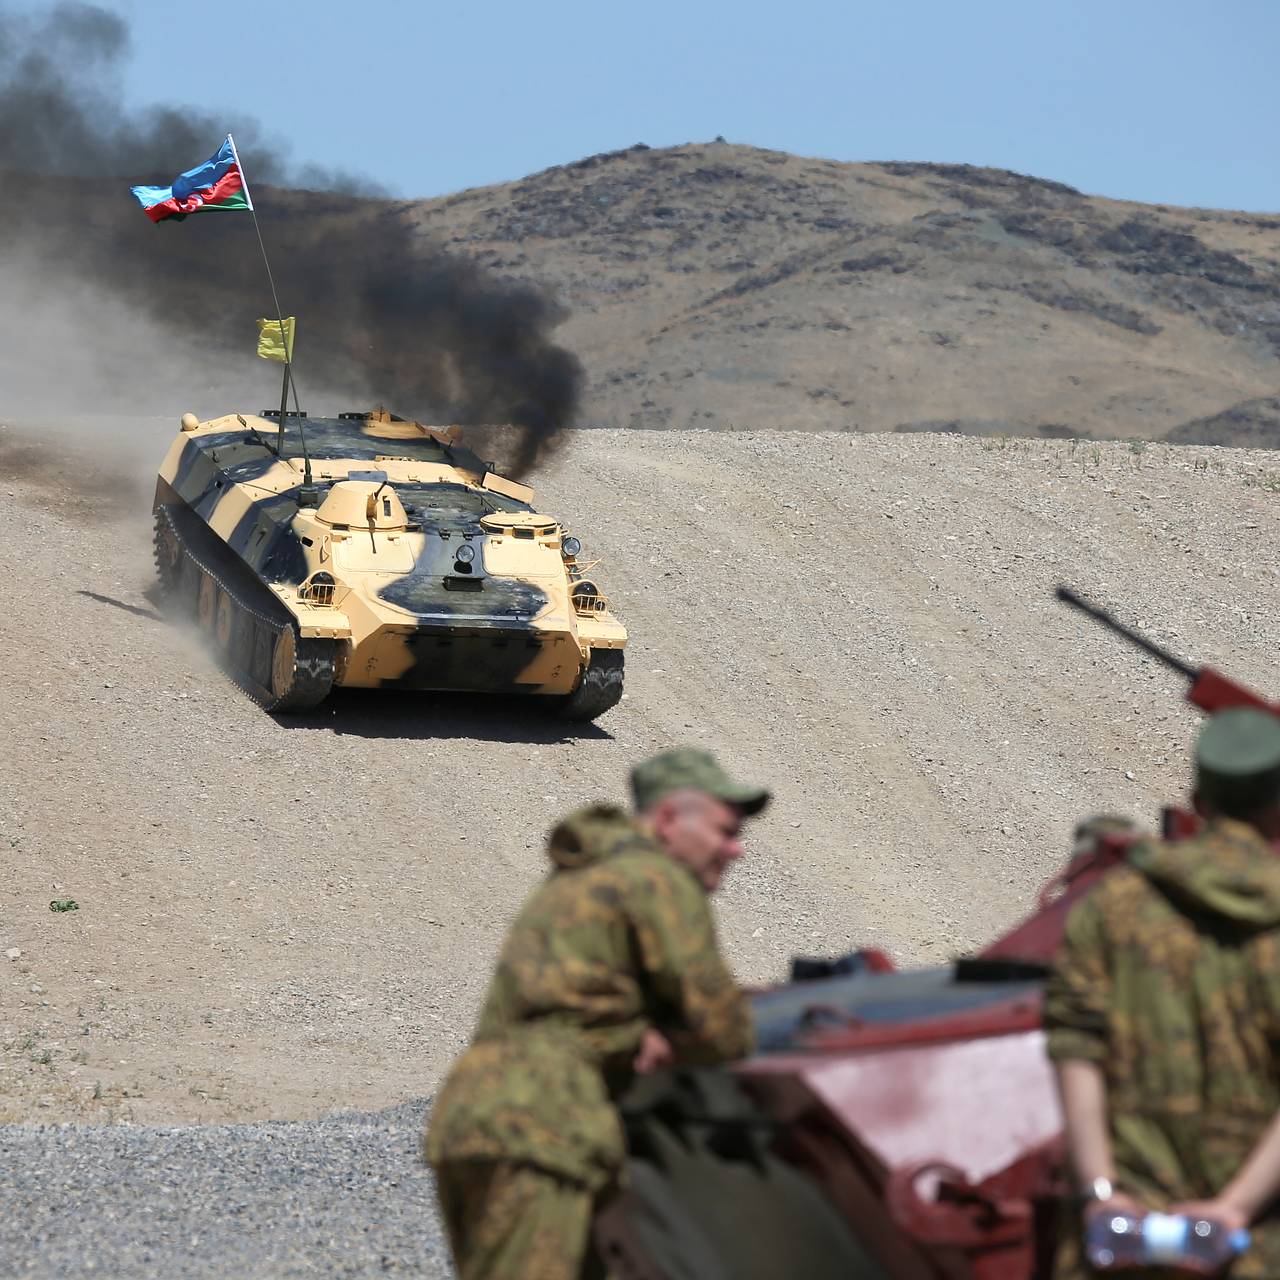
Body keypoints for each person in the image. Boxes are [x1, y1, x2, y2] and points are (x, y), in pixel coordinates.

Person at [424, 747, 768, 1280]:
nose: (736, 849)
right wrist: (668, 1043)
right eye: (726, 831)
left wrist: (638, 1035)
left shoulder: (579, 880)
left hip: (475, 1117)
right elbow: (724, 1027)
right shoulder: (655, 879)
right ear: (671, 819)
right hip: (545, 1124)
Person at [1045, 707, 1280, 1277]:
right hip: (1250, 1250)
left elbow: (1076, 1048)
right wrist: (1231, 1211)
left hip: (1118, 1243)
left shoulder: (1115, 905)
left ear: (1199, 802)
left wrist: (1101, 1192)